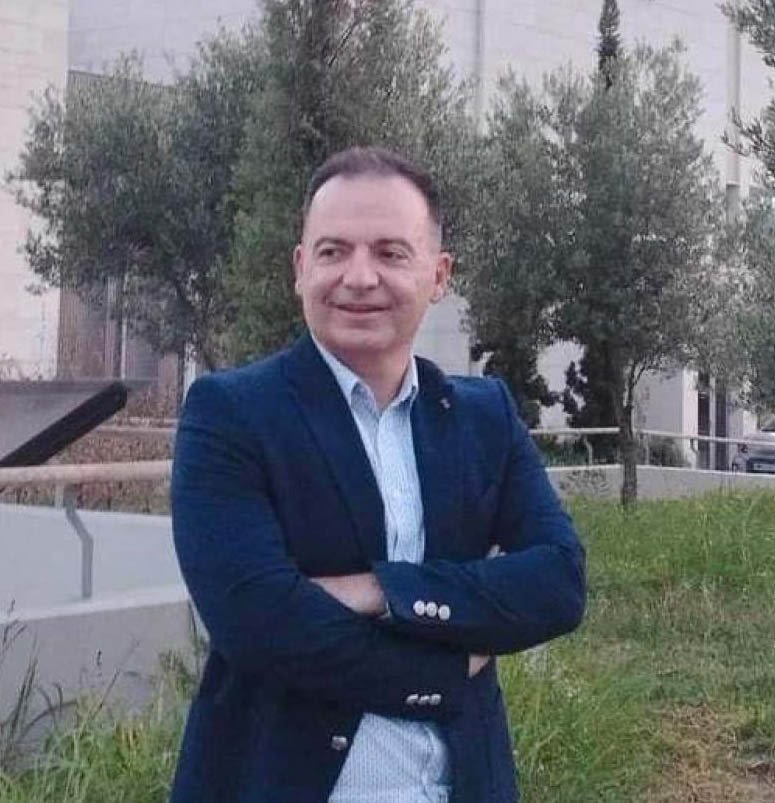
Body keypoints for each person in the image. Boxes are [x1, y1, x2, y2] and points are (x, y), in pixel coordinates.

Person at [169, 146, 587, 803]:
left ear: (438, 275)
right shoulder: (231, 414)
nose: (358, 277)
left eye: (390, 253)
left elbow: (558, 582)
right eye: (333, 251)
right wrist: (448, 669)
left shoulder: (484, 417)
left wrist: (380, 590)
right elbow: (256, 621)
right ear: (301, 268)